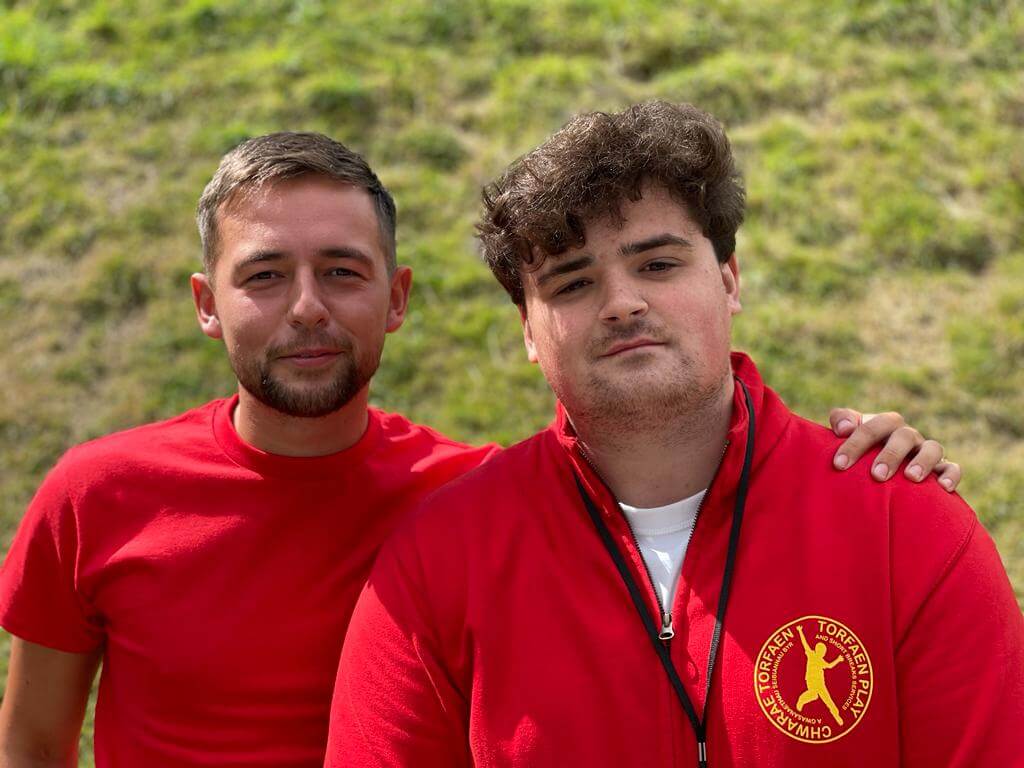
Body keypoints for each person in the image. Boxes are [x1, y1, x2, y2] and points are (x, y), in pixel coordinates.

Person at [0, 132, 956, 768]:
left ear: (399, 298)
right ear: (206, 305)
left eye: (342, 271)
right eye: (263, 276)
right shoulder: (97, 494)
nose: (306, 307)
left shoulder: (468, 500)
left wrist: (882, 470)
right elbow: (35, 745)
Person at [326, 103, 1024, 767]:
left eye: (658, 265)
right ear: (528, 334)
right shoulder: (437, 564)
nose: (624, 302)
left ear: (729, 281)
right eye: (572, 284)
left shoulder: (906, 525)